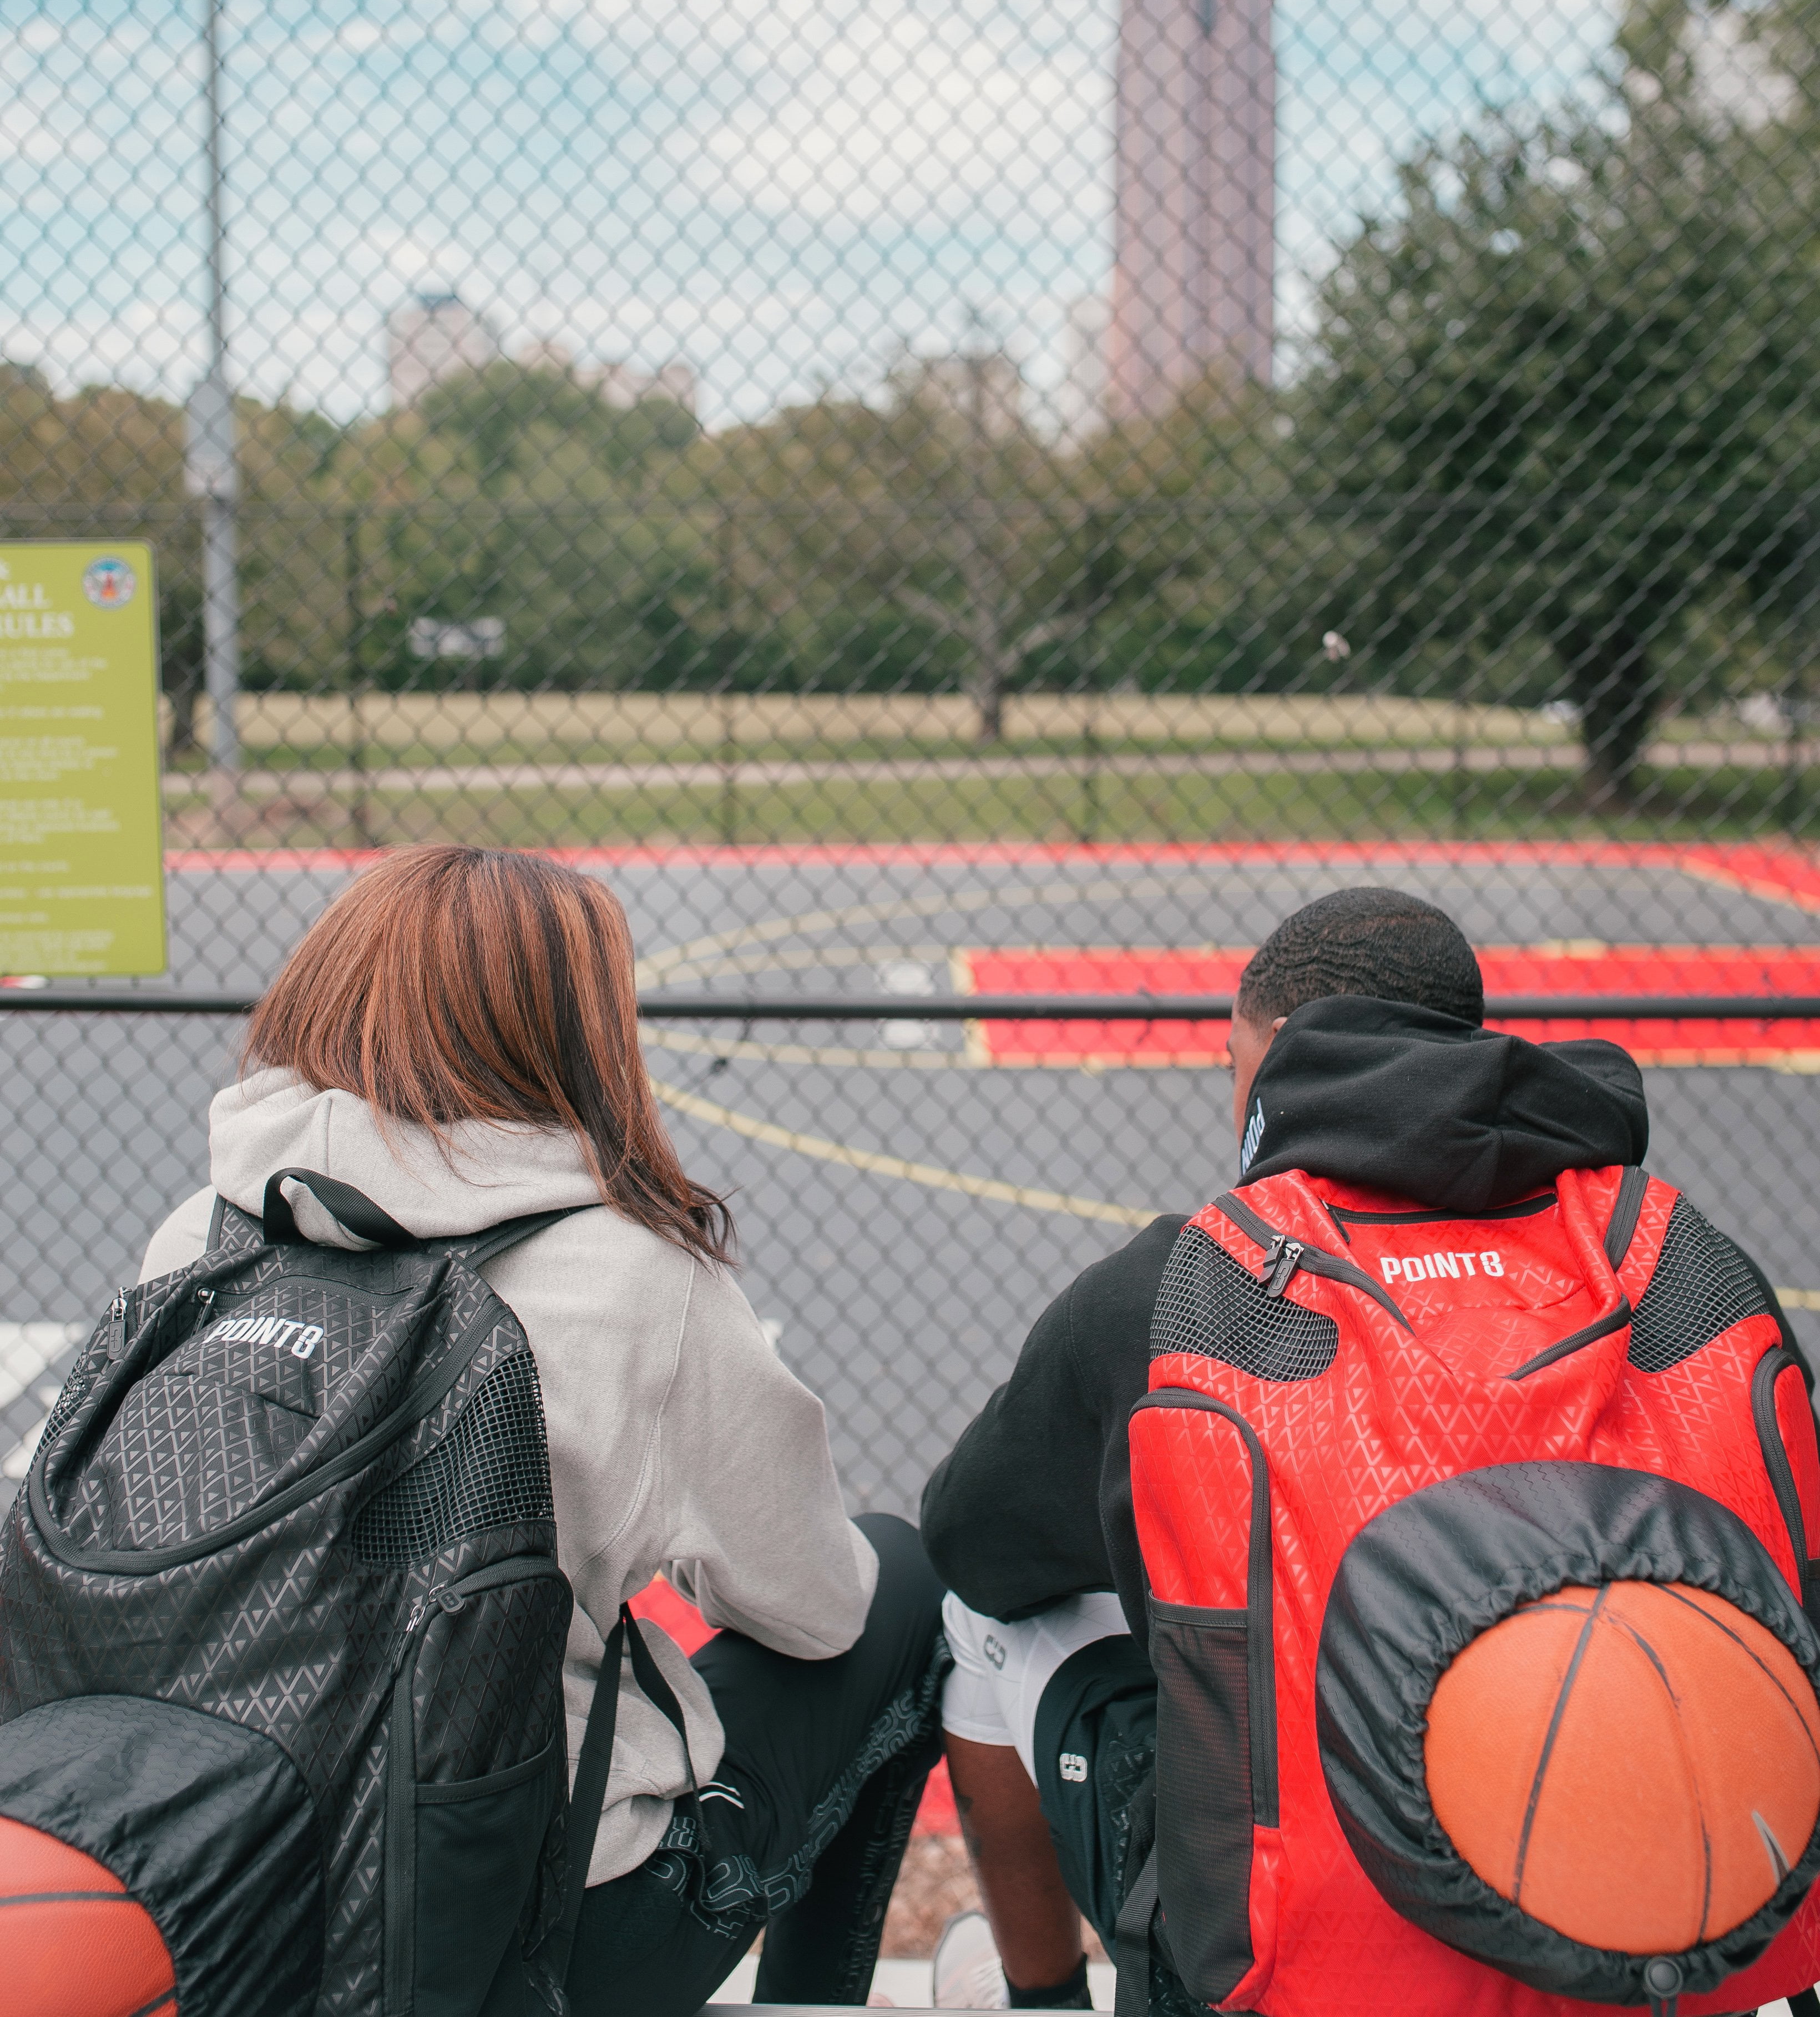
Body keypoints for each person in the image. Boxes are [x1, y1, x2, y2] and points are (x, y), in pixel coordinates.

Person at [918, 886, 1808, 2014]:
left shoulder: (1187, 1288)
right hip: (1659, 1932)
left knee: (978, 1618)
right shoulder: (1673, 1262)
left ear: (1282, 1059)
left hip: (1307, 1967)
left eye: (1233, 1060)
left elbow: (970, 1537)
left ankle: (1038, 1998)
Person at [139, 843, 946, 2016]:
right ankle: (810, 1996)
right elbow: (812, 1607)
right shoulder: (632, 1276)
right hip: (516, 1940)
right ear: (577, 1030)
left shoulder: (199, 1238)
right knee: (903, 1581)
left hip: (220, 1895)